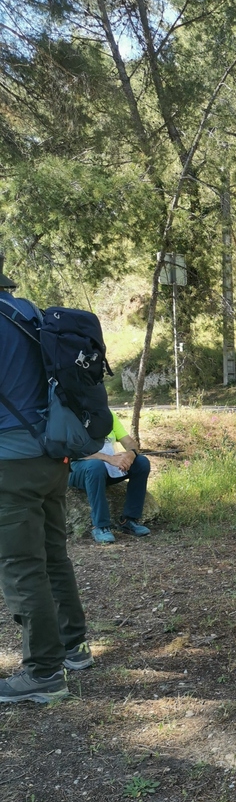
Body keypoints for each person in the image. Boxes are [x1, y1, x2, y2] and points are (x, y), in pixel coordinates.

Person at [0, 272, 92, 704]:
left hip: (10, 466)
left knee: (22, 565)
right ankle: (72, 646)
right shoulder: (29, 314)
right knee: (54, 556)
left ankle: (42, 673)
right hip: (52, 456)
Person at [68, 411, 151, 543]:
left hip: (107, 468)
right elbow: (72, 450)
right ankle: (101, 526)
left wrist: (131, 454)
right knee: (95, 466)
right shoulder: (71, 415)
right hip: (76, 469)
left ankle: (129, 520)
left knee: (141, 462)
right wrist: (108, 459)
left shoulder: (107, 414)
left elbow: (129, 442)